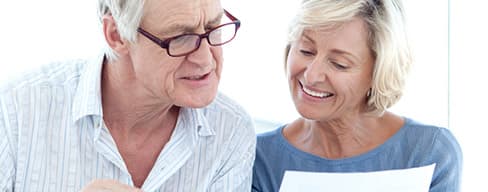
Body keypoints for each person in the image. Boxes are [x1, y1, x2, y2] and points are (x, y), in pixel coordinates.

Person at [0, 0, 256, 191]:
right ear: (116, 35)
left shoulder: (231, 132)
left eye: (214, 27)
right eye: (180, 38)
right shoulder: (17, 111)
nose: (205, 60)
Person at [252, 0, 462, 191]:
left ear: (378, 73)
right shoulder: (257, 158)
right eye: (306, 51)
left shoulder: (429, 152)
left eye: (339, 64)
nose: (311, 75)